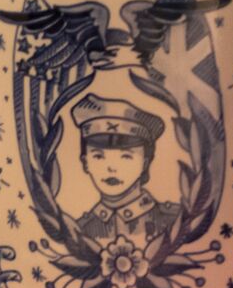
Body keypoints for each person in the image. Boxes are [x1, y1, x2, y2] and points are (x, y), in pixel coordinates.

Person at [66, 94, 179, 248]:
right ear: (85, 163)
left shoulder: (175, 221)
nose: (111, 168)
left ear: (145, 163)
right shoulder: (80, 232)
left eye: (126, 156)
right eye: (99, 156)